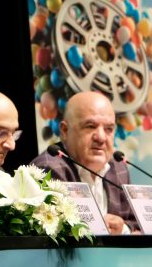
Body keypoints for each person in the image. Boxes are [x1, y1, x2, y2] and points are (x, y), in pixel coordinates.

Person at [31, 91, 137, 234]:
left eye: (109, 129)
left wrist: (123, 229)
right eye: (90, 126)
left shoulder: (118, 168)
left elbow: (137, 224)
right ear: (64, 130)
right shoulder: (48, 169)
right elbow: (55, 234)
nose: (101, 137)